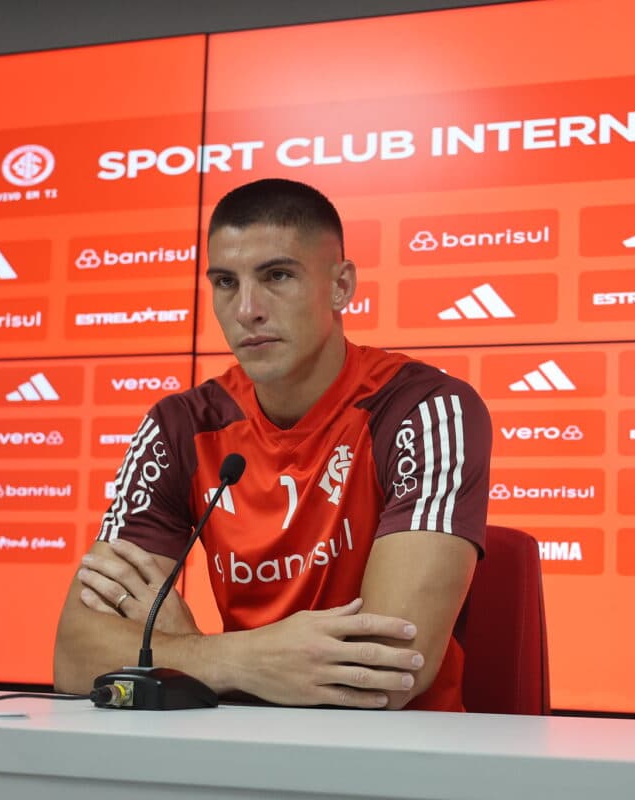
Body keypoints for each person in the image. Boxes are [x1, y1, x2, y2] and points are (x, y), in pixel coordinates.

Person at [53, 178, 491, 711]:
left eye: (277, 275)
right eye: (225, 283)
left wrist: (178, 652)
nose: (247, 310)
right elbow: (75, 660)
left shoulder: (424, 407)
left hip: (396, 761)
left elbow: (388, 670)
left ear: (341, 286)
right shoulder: (180, 426)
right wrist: (236, 659)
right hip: (242, 749)